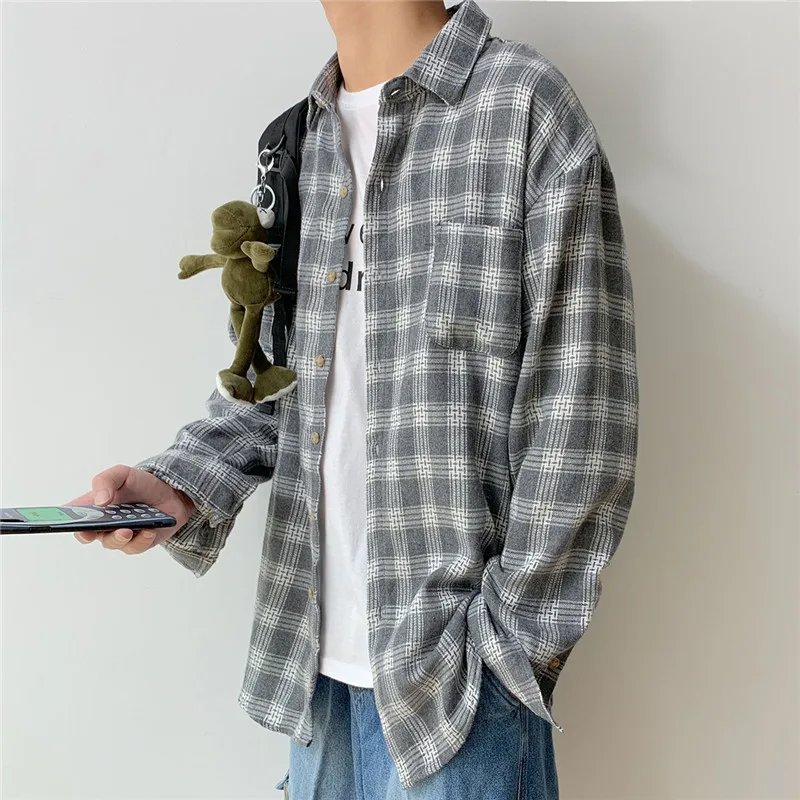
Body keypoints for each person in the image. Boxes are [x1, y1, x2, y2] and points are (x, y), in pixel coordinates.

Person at [68, 1, 639, 797]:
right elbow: (277, 386)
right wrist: (176, 485)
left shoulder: (523, 109)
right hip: (310, 682)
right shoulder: (294, 142)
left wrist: (506, 653)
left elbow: (583, 424)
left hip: (457, 699)